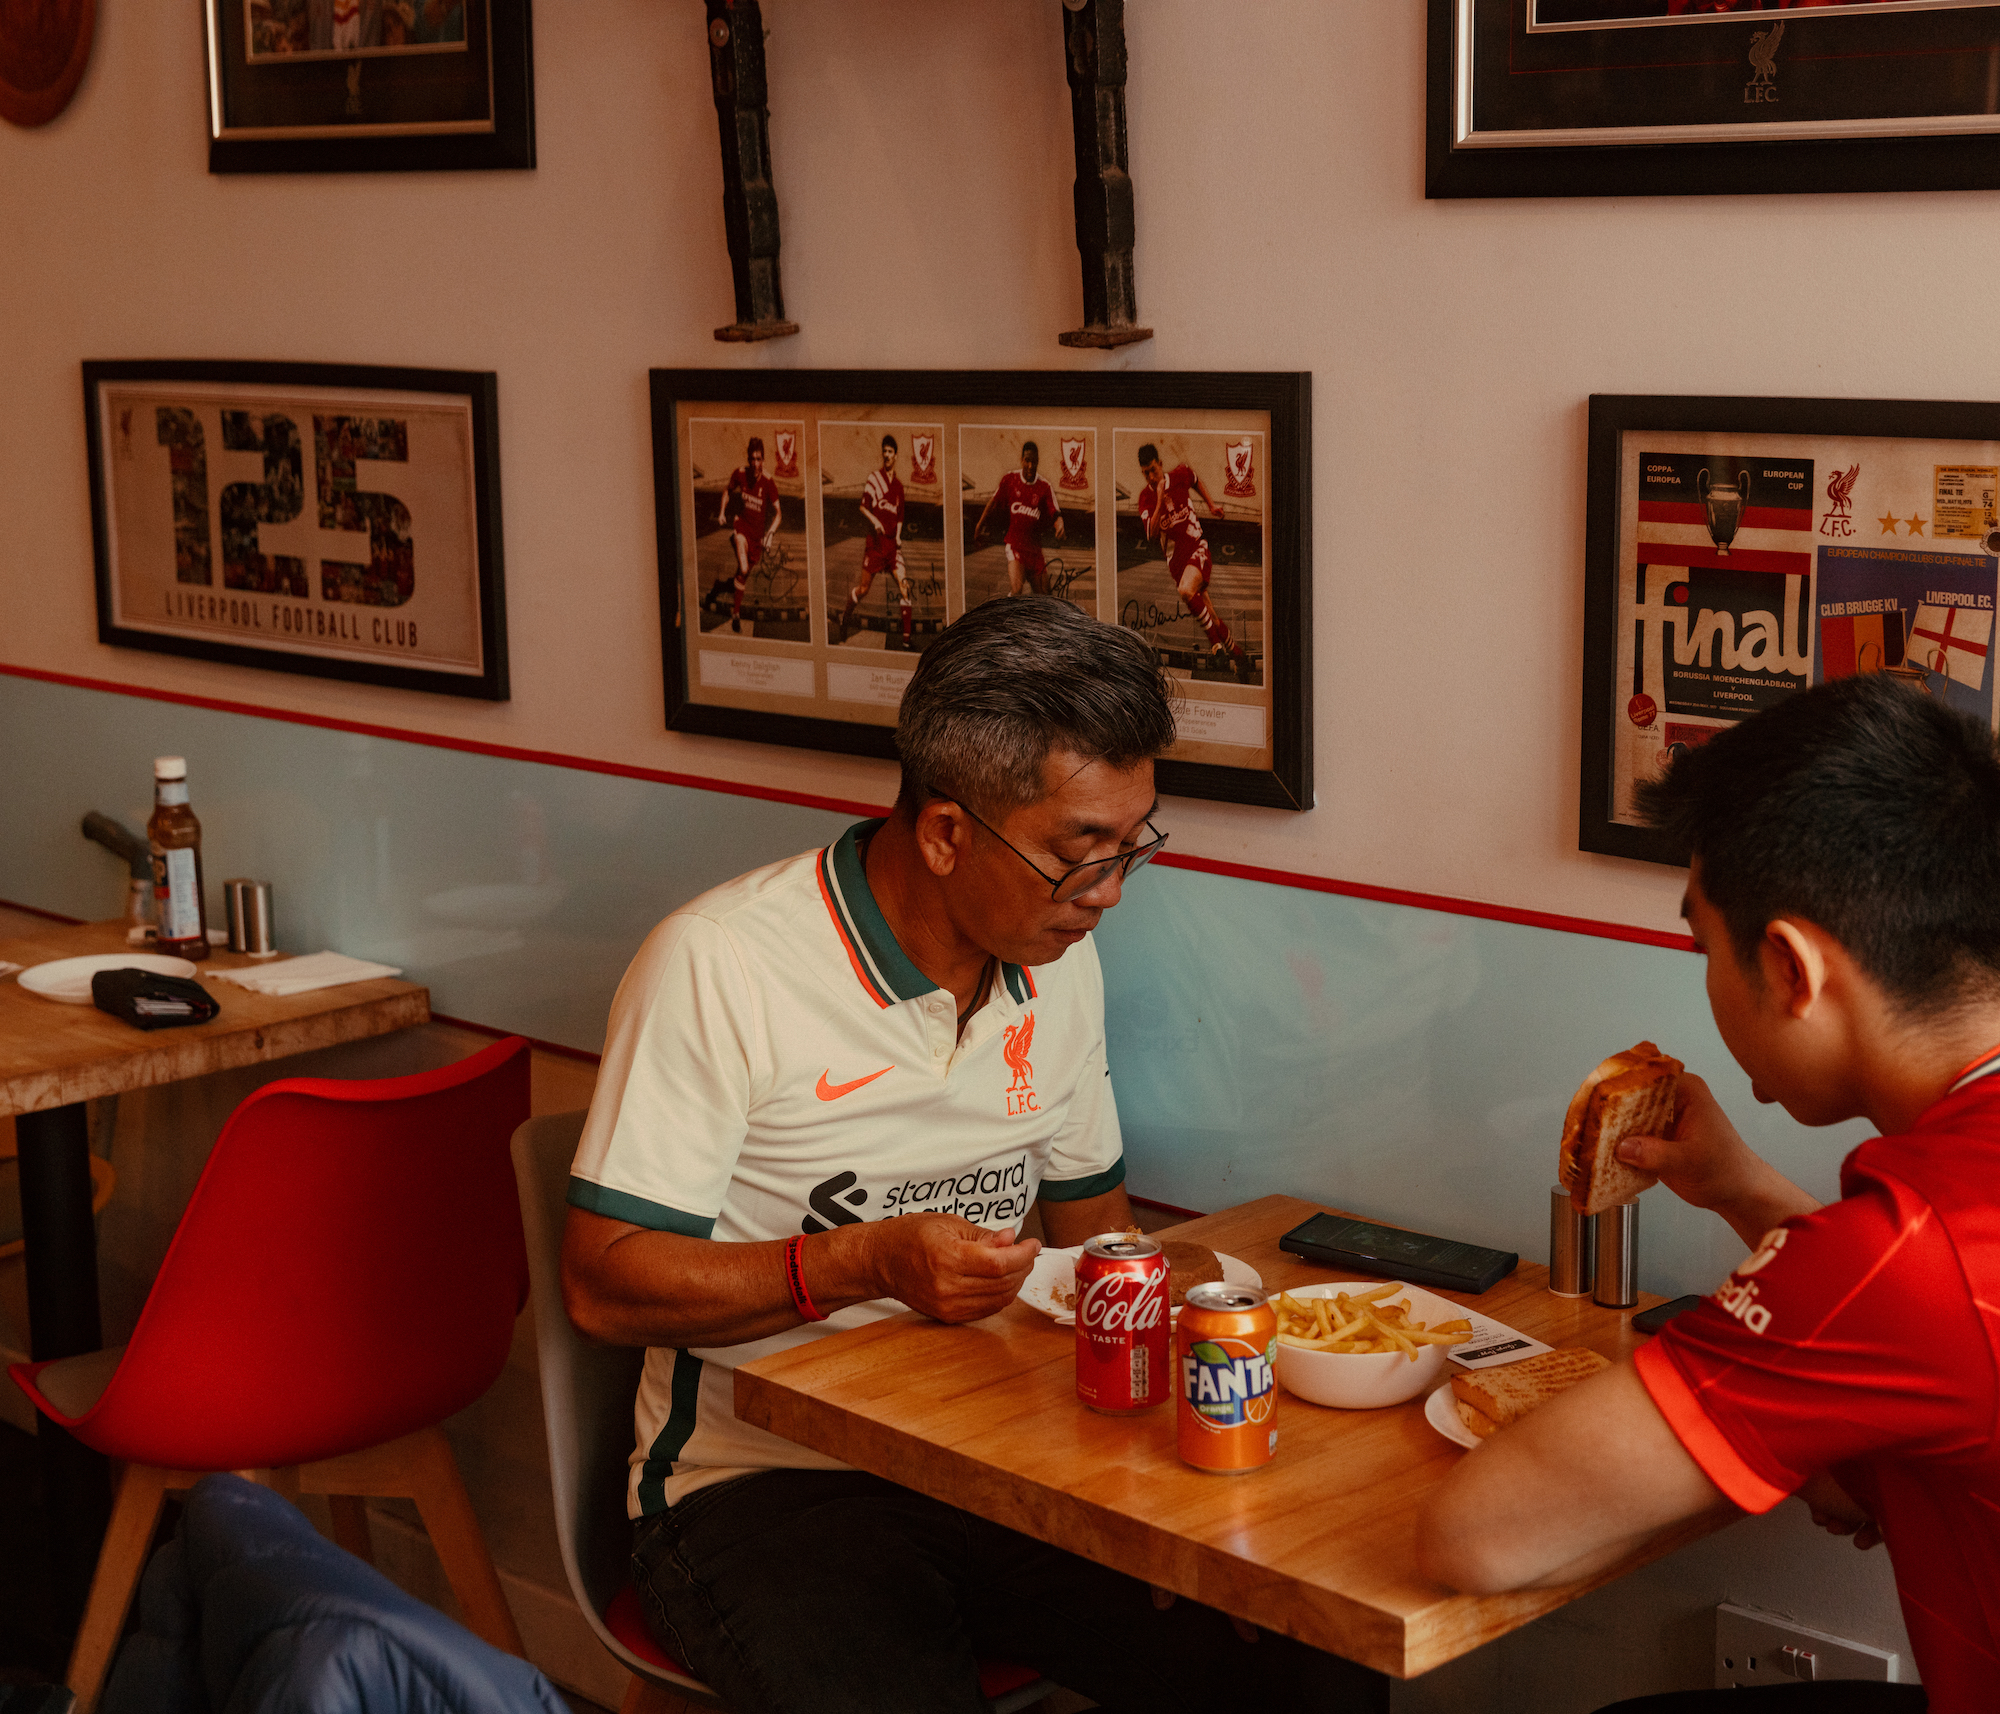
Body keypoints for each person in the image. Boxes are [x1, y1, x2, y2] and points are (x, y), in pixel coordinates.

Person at [562, 597, 1377, 1714]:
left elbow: (1099, 1241)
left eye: (1130, 846)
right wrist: (862, 1263)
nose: (1107, 895)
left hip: (1005, 1464)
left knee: (1306, 1662)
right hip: (763, 1484)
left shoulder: (1054, 958)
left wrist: (1195, 1507)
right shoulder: (720, 965)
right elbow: (602, 1281)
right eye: (1076, 856)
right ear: (945, 831)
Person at [1414, 673, 2000, 1714]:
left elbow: (1477, 1535)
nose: (1700, 976)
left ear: (1787, 968)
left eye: (1698, 945)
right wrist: (1741, 1191)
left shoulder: (1912, 1248)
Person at [1134, 442, 1253, 685]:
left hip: (1196, 546)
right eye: (1145, 472)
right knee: (1212, 614)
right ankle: (1238, 656)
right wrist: (1158, 500)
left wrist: (1210, 504)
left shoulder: (1179, 474)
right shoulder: (1145, 498)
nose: (1151, 475)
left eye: (1154, 470)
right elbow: (1151, 533)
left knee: (1186, 590)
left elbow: (1196, 480)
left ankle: (1216, 647)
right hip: (1176, 562)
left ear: (1161, 464)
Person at [836, 433, 913, 647]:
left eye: (890, 452)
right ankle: (845, 620)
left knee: (904, 586)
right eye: (885, 451)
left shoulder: (898, 487)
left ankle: (907, 641)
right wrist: (875, 520)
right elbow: (862, 507)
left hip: (891, 547)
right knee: (863, 589)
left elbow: (900, 516)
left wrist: (898, 537)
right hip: (875, 545)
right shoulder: (874, 479)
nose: (887, 455)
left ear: (896, 455)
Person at [973, 440, 1064, 596]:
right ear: (1022, 460)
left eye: (1034, 461)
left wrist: (1060, 524)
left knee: (1047, 599)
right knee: (1017, 590)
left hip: (1035, 552)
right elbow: (993, 503)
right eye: (1027, 460)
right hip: (1015, 546)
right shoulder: (1010, 480)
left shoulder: (1044, 486)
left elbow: (1055, 511)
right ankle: (1006, 619)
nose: (1030, 465)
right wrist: (979, 525)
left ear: (1038, 462)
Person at [712, 436, 781, 635]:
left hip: (757, 539)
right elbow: (727, 490)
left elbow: (779, 514)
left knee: (742, 577)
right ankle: (736, 615)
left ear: (764, 460)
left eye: (759, 459)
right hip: (740, 529)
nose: (755, 463)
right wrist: (722, 512)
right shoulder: (740, 474)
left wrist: (770, 534)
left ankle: (729, 600)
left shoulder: (768, 482)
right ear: (748, 459)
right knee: (742, 567)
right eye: (752, 459)